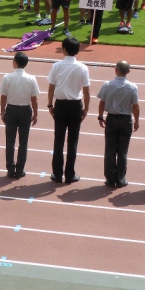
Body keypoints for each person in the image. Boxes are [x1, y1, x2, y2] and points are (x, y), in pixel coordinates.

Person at [47, 36, 90, 183]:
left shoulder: (57, 66)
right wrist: (86, 109)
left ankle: (57, 174)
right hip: (75, 105)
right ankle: (70, 174)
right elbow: (86, 91)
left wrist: (50, 105)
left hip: (60, 105)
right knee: (72, 141)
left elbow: (51, 87)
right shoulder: (83, 67)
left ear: (64, 49)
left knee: (58, 140)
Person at [97, 61, 139, 188]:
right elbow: (135, 105)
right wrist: (137, 120)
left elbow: (101, 103)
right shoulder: (132, 87)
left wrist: (100, 116)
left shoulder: (108, 85)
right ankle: (120, 179)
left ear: (115, 70)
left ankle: (110, 179)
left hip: (112, 119)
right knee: (123, 150)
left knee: (110, 149)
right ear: (128, 72)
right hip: (126, 120)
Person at [0, 52, 40, 178]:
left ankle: (10, 169)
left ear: (15, 62)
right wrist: (36, 114)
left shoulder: (7, 77)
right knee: (23, 142)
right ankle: (20, 169)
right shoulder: (31, 78)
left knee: (10, 141)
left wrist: (2, 111)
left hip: (11, 110)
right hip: (25, 111)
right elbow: (34, 99)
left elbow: (3, 97)